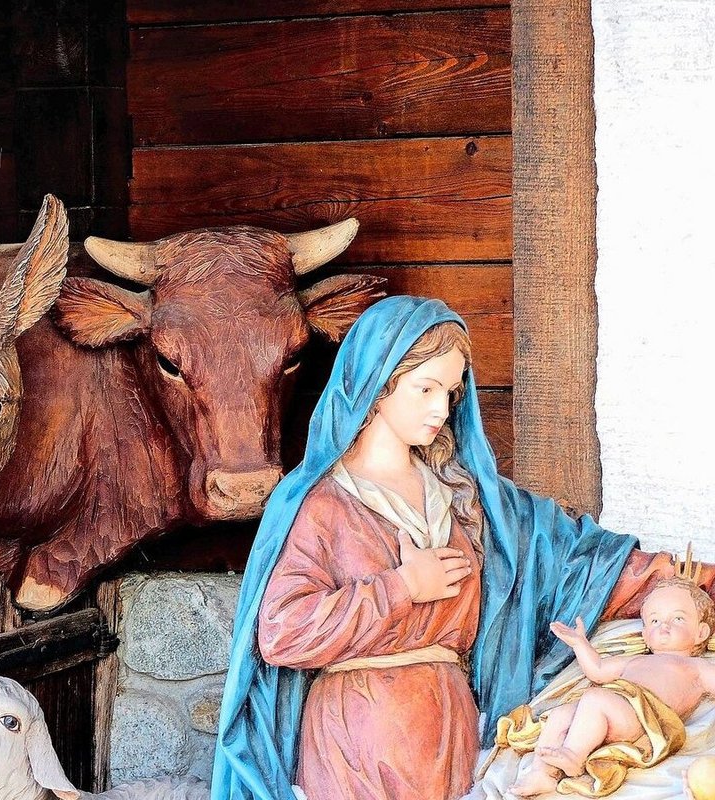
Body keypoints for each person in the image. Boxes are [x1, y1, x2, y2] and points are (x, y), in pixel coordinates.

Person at [211, 296, 713, 800]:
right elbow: (281, 631)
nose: (440, 409)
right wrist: (402, 586)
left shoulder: (465, 496)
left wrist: (694, 581)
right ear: (377, 385)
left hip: (453, 727)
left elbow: (574, 561)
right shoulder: (324, 502)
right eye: (424, 388)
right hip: (360, 734)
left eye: (450, 393)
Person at [510, 579, 715, 796]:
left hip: (643, 718)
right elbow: (597, 670)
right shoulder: (633, 660)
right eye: (654, 620)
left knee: (595, 698)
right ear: (645, 635)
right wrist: (580, 644)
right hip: (611, 707)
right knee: (560, 715)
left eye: (678, 619)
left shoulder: (697, 667)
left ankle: (573, 755)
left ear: (701, 632)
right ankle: (541, 774)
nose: (664, 626)